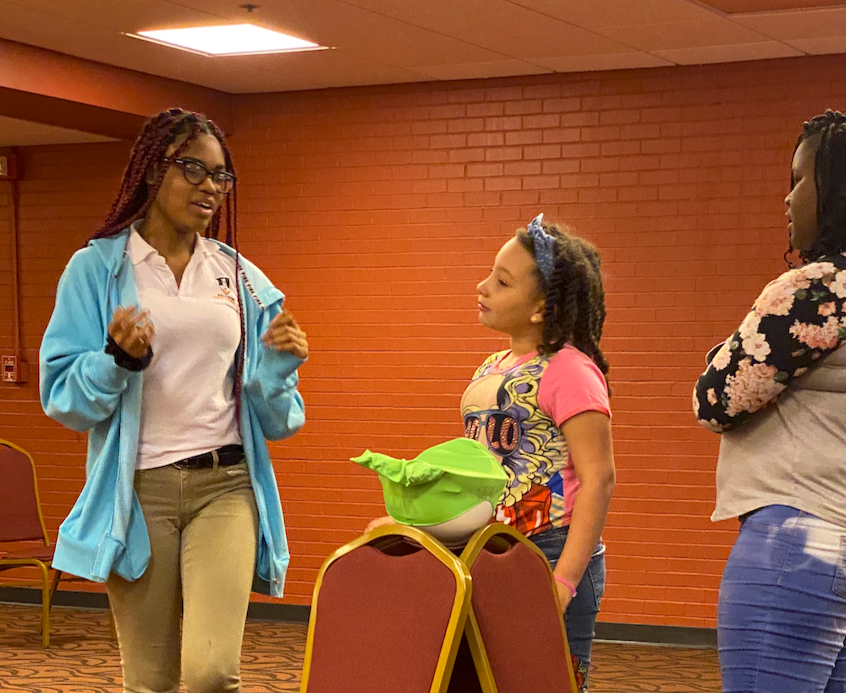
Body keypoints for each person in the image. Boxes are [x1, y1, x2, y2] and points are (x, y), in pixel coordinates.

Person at [40, 108, 307, 693]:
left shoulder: (238, 277)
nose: (209, 187)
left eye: (220, 175)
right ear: (150, 170)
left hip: (227, 485)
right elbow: (62, 397)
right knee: (151, 680)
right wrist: (116, 360)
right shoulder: (98, 269)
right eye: (193, 169)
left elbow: (277, 419)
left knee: (212, 673)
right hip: (140, 492)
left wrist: (278, 368)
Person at [693, 108, 846, 692]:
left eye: (799, 180)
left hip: (803, 532)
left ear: (841, 190)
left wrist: (722, 353)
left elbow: (714, 400)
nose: (787, 199)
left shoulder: (826, 285)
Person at [366, 213, 615, 691]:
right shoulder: (492, 366)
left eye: (500, 282)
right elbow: (474, 475)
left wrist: (562, 583)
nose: (482, 287)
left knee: (544, 681)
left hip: (548, 551)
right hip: (487, 546)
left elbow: (599, 480)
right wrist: (416, 527)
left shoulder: (570, 370)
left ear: (541, 307)